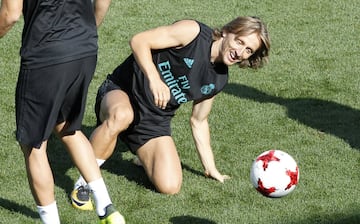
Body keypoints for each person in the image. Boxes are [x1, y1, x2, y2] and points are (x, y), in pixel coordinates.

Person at [72, 16, 270, 204]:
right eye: (240, 42)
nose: (240, 52)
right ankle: (84, 185)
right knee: (122, 116)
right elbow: (139, 41)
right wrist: (154, 79)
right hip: (122, 91)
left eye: (249, 51)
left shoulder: (219, 79)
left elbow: (199, 121)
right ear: (227, 32)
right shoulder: (193, 32)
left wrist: (211, 168)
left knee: (170, 185)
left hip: (153, 121)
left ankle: (142, 155)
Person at [0, 0, 126, 223]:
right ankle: (106, 207)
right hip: (85, 47)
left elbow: (10, 14)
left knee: (33, 145)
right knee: (67, 126)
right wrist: (84, 34)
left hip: (47, 54)